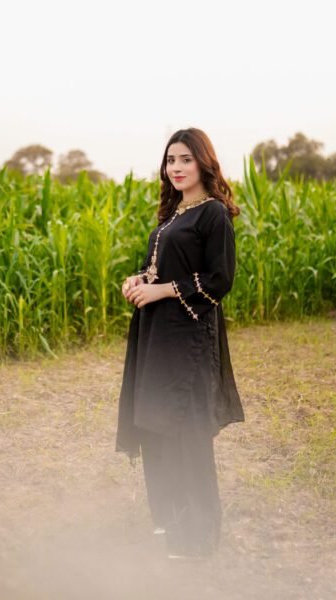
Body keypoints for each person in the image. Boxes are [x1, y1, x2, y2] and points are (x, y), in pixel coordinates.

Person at [115, 127, 245, 560]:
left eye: (185, 159)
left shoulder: (213, 215)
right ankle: (171, 523)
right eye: (171, 160)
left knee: (186, 433)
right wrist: (139, 280)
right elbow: (162, 269)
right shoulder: (172, 215)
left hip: (188, 341)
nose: (176, 167)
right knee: (157, 425)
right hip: (157, 336)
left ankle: (198, 538)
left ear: (204, 162)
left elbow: (219, 280)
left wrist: (162, 290)